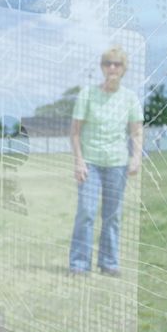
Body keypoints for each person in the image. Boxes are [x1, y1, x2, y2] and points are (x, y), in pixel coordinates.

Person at [68, 46, 143, 277]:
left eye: (117, 64)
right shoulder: (87, 95)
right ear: (102, 67)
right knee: (87, 212)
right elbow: (75, 132)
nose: (112, 67)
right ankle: (79, 265)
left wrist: (136, 157)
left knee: (112, 215)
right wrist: (79, 162)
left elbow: (137, 132)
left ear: (124, 69)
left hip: (117, 165)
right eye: (108, 63)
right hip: (90, 163)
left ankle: (109, 263)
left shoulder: (130, 98)